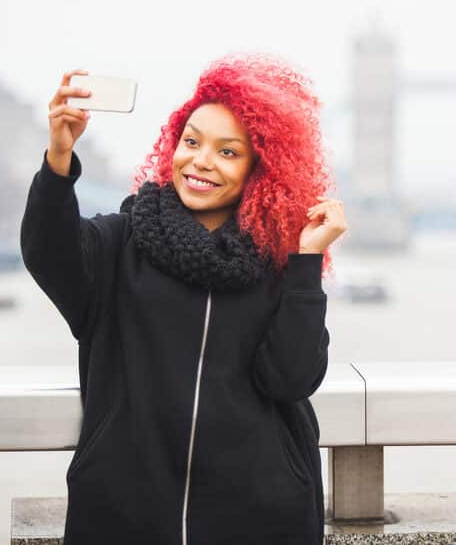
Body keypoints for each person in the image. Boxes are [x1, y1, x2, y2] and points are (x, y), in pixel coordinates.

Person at [20, 54, 347, 545]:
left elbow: (292, 377)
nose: (201, 161)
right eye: (191, 142)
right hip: (123, 517)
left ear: (261, 168)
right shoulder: (120, 244)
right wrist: (59, 160)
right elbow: (48, 251)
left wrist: (306, 262)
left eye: (228, 152)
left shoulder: (279, 265)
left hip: (261, 520)